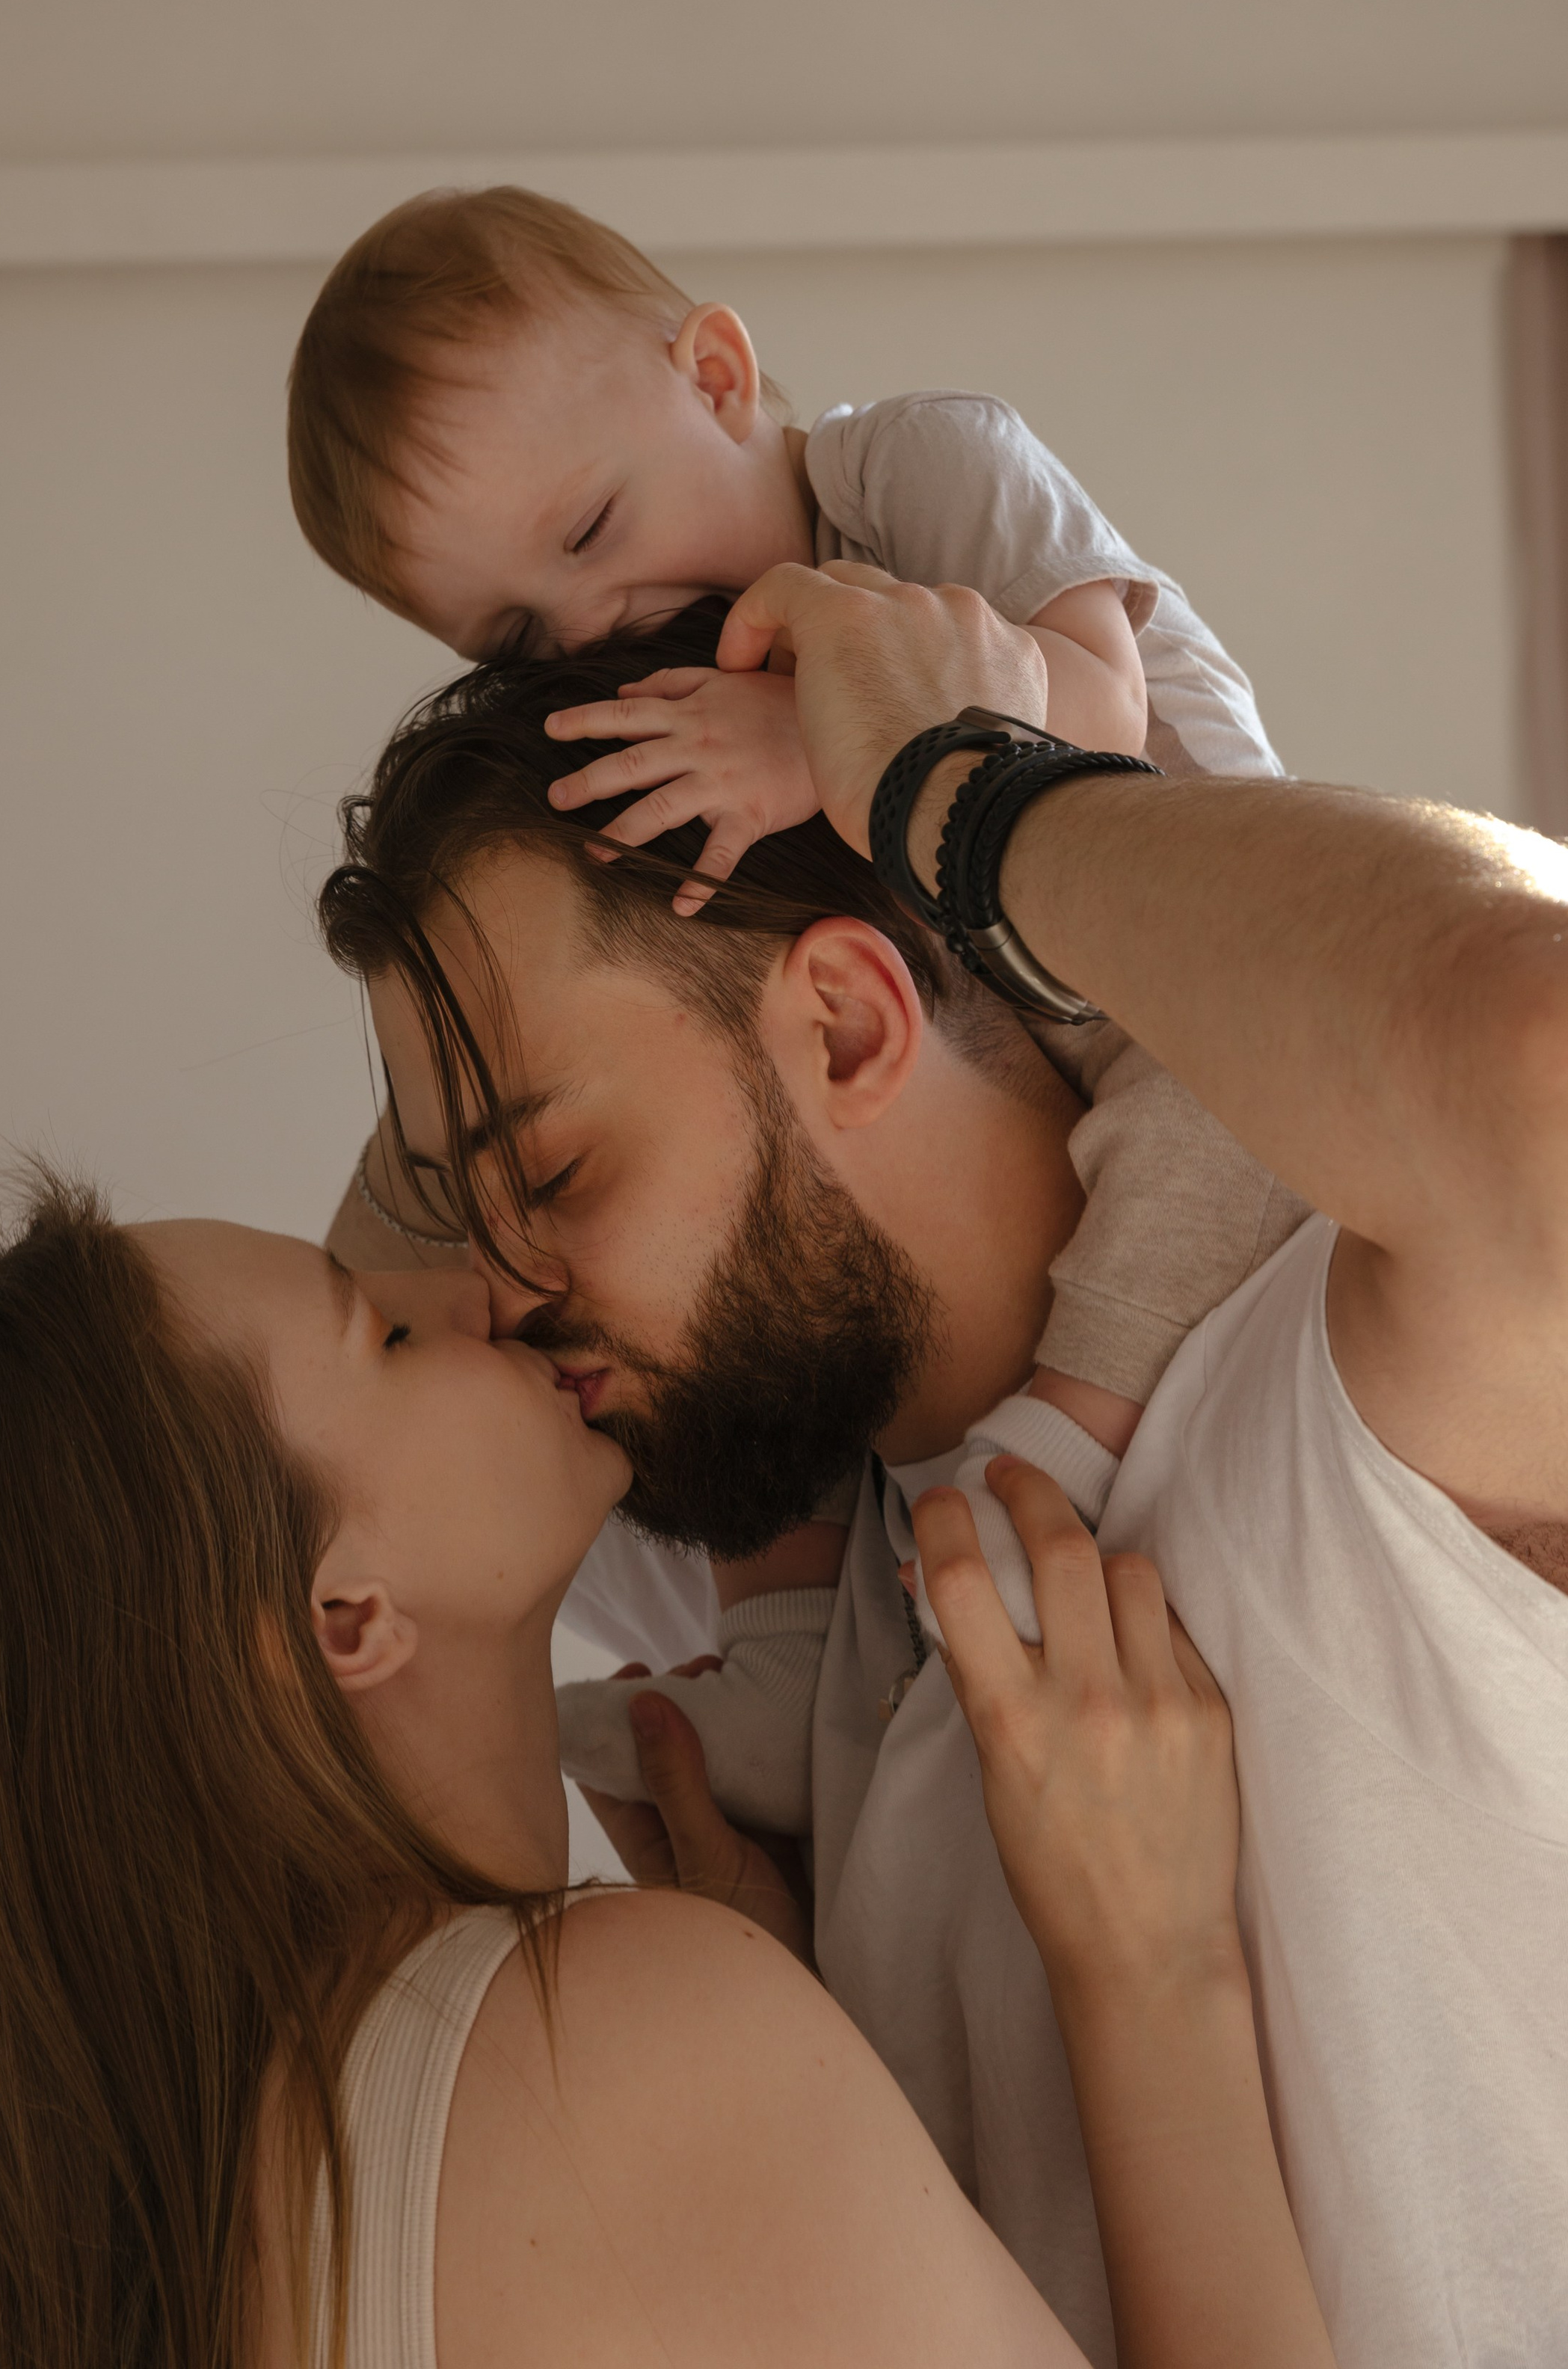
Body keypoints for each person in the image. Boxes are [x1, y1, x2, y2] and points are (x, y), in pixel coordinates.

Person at [316, 562, 1568, 2369]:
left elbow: (1535, 1060)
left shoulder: (1338, 1376)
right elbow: (284, 1380)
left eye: (556, 1176)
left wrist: (950, 786)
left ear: (845, 1023)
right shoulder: (837, 1625)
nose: (501, 1304)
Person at [0, 1175, 1332, 2369]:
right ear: (339, 1615)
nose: (473, 1296)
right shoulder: (600, 2048)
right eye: (376, 1330)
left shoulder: (219, 2237)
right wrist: (1150, 1966)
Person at [292, 182, 1302, 1821]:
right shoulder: (657, 687)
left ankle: (1063, 1433)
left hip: (1172, 921)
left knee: (1179, 1107)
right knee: (726, 1277)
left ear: (711, 374)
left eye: (588, 536)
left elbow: (1098, 732)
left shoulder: (920, 468)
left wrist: (832, 748)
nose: (592, 629)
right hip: (974, 959)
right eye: (510, 636)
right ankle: (772, 1632)